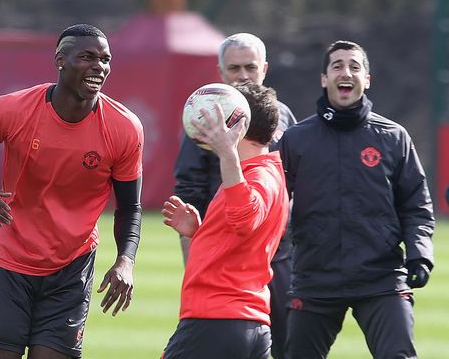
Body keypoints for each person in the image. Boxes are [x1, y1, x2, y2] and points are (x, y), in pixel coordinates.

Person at [0, 23, 143, 359]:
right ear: (60, 61)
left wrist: (125, 261)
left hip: (72, 267)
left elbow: (130, 207)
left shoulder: (125, 128)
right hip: (10, 261)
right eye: (87, 57)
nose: (99, 67)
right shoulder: (14, 109)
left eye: (105, 59)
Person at [278, 40, 435, 358]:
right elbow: (274, 203)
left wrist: (420, 255)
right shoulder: (296, 139)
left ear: (367, 79)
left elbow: (416, 206)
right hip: (315, 277)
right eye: (337, 66)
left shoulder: (393, 137)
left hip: (381, 278)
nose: (346, 73)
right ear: (324, 79)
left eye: (354, 66)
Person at [172, 32, 296, 358]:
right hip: (243, 306)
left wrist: (227, 153)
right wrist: (196, 234)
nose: (243, 76)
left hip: (221, 312)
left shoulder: (257, 174)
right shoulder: (264, 171)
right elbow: (235, 224)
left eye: (250, 67)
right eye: (234, 68)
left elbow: (244, 217)